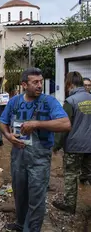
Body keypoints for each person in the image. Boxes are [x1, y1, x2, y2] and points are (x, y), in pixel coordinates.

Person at [0, 67, 71, 231]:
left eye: (41, 82)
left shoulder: (49, 102)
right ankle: (20, 223)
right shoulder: (14, 102)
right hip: (18, 157)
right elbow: (2, 122)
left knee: (36, 198)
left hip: (39, 159)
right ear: (24, 84)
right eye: (35, 82)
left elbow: (66, 124)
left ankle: (30, 229)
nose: (39, 85)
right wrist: (8, 136)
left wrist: (37, 124)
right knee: (20, 194)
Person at [52, 72, 91, 214]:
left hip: (75, 146)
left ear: (70, 84)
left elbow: (63, 126)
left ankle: (69, 205)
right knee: (89, 173)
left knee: (71, 175)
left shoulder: (71, 101)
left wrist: (56, 145)